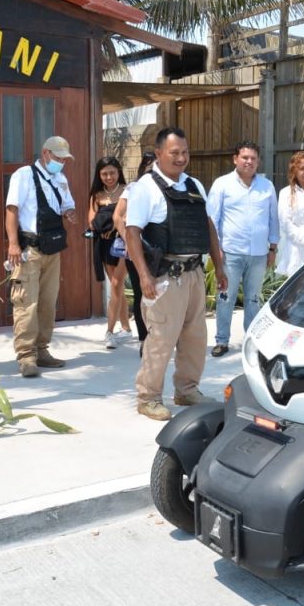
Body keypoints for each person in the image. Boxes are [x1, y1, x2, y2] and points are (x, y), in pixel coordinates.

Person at [125, 128, 227, 420]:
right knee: (161, 339)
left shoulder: (193, 184)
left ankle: (187, 390)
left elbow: (208, 227)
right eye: (174, 153)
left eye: (185, 152)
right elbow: (132, 233)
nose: (181, 158)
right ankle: (148, 398)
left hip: (194, 273)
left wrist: (219, 266)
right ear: (159, 154)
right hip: (165, 277)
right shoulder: (145, 188)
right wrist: (143, 276)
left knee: (195, 338)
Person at [5, 136, 78, 377]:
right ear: (45, 153)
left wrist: (70, 213)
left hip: (52, 249)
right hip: (29, 249)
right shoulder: (24, 175)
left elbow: (67, 205)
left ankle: (42, 349)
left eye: (64, 160)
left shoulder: (60, 178)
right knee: (26, 303)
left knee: (48, 303)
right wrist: (13, 244)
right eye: (58, 158)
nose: (61, 163)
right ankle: (26, 355)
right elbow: (12, 209)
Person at [207, 141, 279, 357]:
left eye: (253, 158)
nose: (249, 162)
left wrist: (273, 248)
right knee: (225, 298)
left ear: (258, 161)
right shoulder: (222, 184)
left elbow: (273, 219)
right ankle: (222, 340)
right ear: (235, 159)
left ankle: (251, 341)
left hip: (258, 254)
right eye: (245, 157)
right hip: (230, 253)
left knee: (253, 299)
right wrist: (216, 249)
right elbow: (211, 219)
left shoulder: (267, 186)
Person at [88, 156, 132, 349]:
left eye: (112, 172)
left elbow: (128, 218)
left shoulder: (127, 191)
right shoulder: (96, 195)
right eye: (104, 173)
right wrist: (103, 226)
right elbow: (91, 221)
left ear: (118, 172)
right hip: (104, 245)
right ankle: (126, 328)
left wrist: (114, 226)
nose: (109, 177)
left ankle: (110, 331)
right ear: (99, 175)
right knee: (117, 286)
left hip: (123, 244)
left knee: (115, 283)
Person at [114, 152, 155, 345]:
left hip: (160, 250)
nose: (153, 170)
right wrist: (129, 241)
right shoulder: (133, 188)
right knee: (141, 294)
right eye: (149, 166)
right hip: (136, 250)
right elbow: (117, 217)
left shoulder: (168, 187)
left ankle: (160, 338)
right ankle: (144, 339)